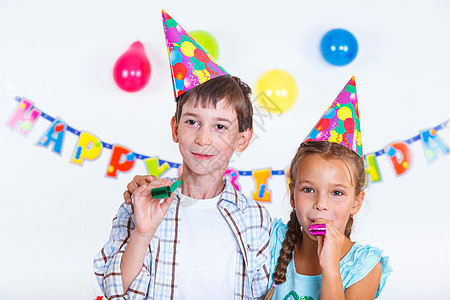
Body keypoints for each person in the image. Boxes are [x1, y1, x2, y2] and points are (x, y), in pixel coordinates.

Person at [93, 11, 271, 300]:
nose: (203, 138)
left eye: (220, 126)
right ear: (175, 129)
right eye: (192, 122)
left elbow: (263, 293)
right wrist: (142, 232)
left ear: (242, 139)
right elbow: (115, 291)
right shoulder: (142, 203)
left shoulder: (256, 218)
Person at [263, 77, 392, 300]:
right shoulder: (270, 241)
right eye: (308, 190)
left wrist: (331, 268)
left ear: (356, 202)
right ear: (292, 196)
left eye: (337, 193)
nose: (321, 205)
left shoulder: (364, 266)